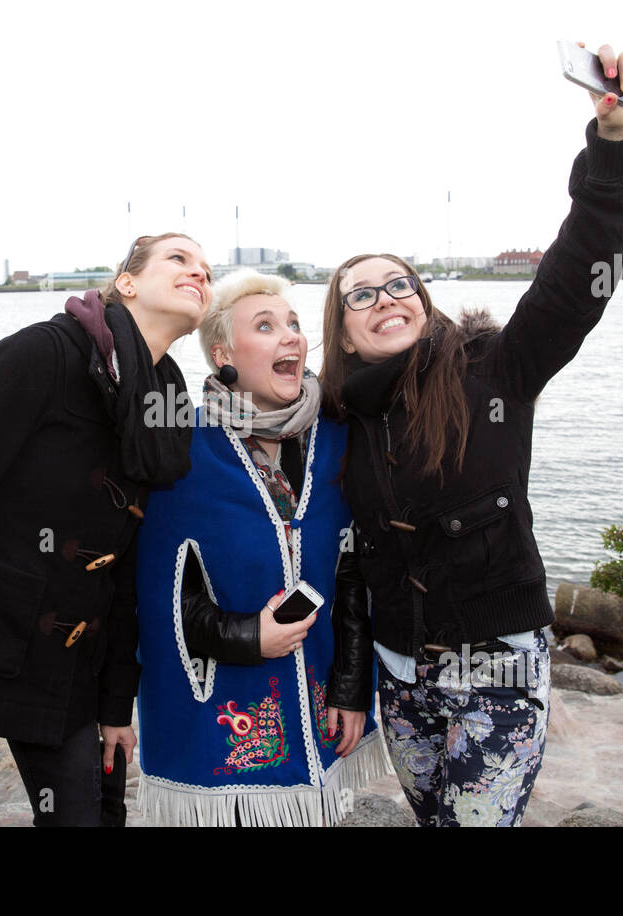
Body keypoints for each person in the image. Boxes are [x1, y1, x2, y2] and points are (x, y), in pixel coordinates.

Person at [319, 44, 623, 827]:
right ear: (344, 329)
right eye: (361, 293)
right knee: (432, 816)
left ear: (423, 299)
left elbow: (576, 275)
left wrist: (614, 148)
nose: (385, 298)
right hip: (400, 672)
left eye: (399, 282)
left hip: (499, 662)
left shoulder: (497, 368)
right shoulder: (338, 415)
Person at [0, 232, 210, 826]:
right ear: (126, 282)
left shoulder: (165, 401)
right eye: (179, 259)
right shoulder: (42, 355)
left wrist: (115, 705)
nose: (199, 273)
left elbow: (126, 566)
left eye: (207, 269)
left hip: (69, 672)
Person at [133, 269, 384, 826]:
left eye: (293, 324)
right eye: (266, 326)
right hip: (227, 719)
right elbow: (164, 595)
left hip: (322, 707)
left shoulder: (338, 440)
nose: (290, 336)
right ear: (223, 352)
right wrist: (251, 636)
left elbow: (353, 577)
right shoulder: (183, 451)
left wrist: (350, 689)